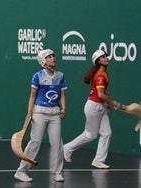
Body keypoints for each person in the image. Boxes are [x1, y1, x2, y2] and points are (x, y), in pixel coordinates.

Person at [63, 49, 125, 169]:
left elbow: (100, 93)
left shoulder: (103, 73)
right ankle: (67, 148)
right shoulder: (100, 75)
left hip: (100, 106)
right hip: (94, 107)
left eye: (106, 56)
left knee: (106, 133)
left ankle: (98, 160)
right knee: (90, 135)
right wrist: (115, 103)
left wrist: (106, 104)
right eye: (103, 57)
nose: (106, 58)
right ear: (98, 61)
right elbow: (101, 95)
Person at [14, 49, 67, 182]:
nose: (53, 58)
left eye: (53, 56)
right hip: (39, 112)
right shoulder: (37, 76)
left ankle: (57, 172)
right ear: (43, 61)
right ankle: (21, 171)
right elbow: (32, 95)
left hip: (55, 113)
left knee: (57, 144)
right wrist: (29, 113)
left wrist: (64, 108)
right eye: (49, 57)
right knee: (35, 142)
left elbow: (62, 95)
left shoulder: (60, 75)